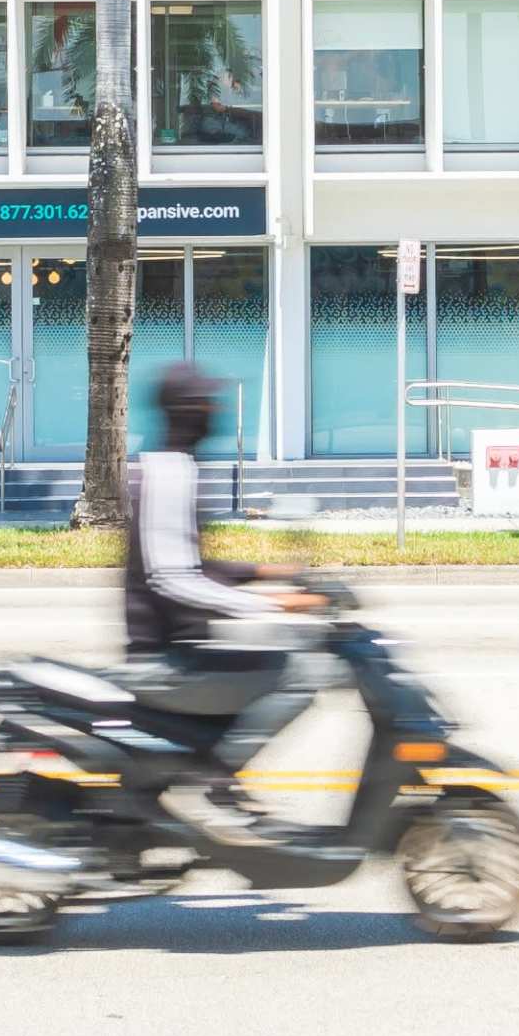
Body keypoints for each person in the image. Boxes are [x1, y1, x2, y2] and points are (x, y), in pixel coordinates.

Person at [123, 360, 316, 842]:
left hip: (182, 653)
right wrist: (274, 605)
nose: (216, 412)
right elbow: (172, 580)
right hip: (163, 662)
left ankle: (211, 772)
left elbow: (193, 564)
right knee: (299, 674)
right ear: (187, 411)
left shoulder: (176, 467)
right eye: (207, 404)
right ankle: (214, 781)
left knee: (266, 666)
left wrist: (268, 572)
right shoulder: (168, 473)